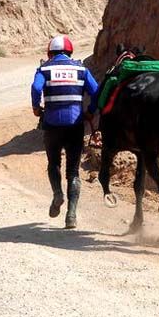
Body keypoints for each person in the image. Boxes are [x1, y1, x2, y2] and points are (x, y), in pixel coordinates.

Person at [31, 35, 99, 229]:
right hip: (75, 125)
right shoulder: (81, 69)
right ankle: (71, 215)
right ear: (70, 52)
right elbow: (96, 91)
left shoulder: (44, 69)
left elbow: (36, 88)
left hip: (52, 125)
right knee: (74, 171)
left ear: (50, 53)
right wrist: (90, 112)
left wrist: (36, 107)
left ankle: (57, 195)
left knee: (53, 164)